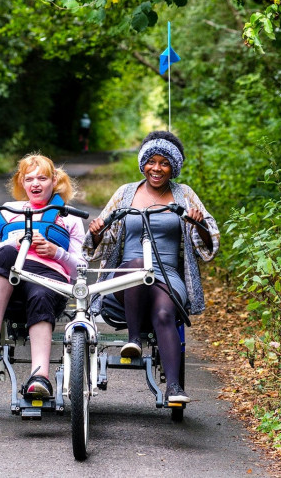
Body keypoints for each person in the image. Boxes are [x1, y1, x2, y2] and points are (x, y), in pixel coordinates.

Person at [83, 130, 219, 403]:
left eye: (164, 163)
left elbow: (209, 244)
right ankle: (133, 339)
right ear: (143, 163)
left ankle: (175, 388)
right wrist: (97, 230)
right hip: (125, 278)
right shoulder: (125, 194)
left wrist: (198, 223)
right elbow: (100, 240)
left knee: (165, 313)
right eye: (151, 161)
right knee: (135, 265)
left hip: (168, 277)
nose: (156, 168)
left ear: (174, 167)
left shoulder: (184, 195)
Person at [0, 153, 87, 398]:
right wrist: (13, 240)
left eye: (42, 178)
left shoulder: (70, 217)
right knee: (2, 253)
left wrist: (57, 253)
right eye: (29, 178)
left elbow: (80, 270)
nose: (35, 183)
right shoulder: (7, 213)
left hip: (48, 281)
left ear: (54, 181)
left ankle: (40, 376)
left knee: (41, 295)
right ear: (21, 182)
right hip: (10, 277)